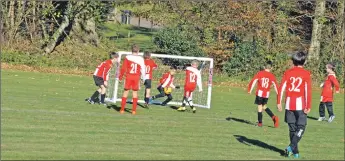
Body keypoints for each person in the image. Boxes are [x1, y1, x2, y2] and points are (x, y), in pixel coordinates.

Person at [277, 51, 312, 159]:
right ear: (304, 62)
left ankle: (295, 152)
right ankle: (292, 148)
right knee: (301, 127)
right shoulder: (306, 73)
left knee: (292, 129)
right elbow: (308, 91)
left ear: (293, 61)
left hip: (289, 104)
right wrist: (308, 105)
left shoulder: (287, 72)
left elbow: (281, 88)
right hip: (300, 105)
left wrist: (278, 102)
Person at [247, 61, 279, 127]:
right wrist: (278, 93)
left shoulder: (260, 73)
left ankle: (260, 122)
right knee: (263, 106)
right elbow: (275, 85)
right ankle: (274, 117)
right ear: (271, 68)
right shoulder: (272, 76)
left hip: (260, 93)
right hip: (266, 94)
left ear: (264, 67)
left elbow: (254, 81)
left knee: (259, 106)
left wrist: (250, 90)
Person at [119, 44, 145, 115]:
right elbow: (143, 69)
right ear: (138, 51)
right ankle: (133, 111)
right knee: (135, 93)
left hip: (129, 76)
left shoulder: (127, 57)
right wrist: (143, 78)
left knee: (125, 92)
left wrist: (120, 77)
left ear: (131, 50)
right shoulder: (141, 59)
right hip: (136, 77)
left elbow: (123, 68)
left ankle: (122, 110)